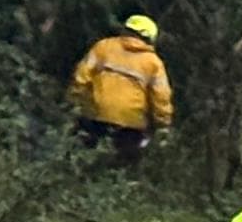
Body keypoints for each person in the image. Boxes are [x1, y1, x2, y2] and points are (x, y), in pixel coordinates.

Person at [69, 14, 174, 163]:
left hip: (95, 114)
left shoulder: (103, 47)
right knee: (122, 164)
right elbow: (161, 97)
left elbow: (81, 76)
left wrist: (74, 102)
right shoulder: (153, 63)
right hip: (131, 123)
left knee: (84, 158)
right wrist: (162, 124)